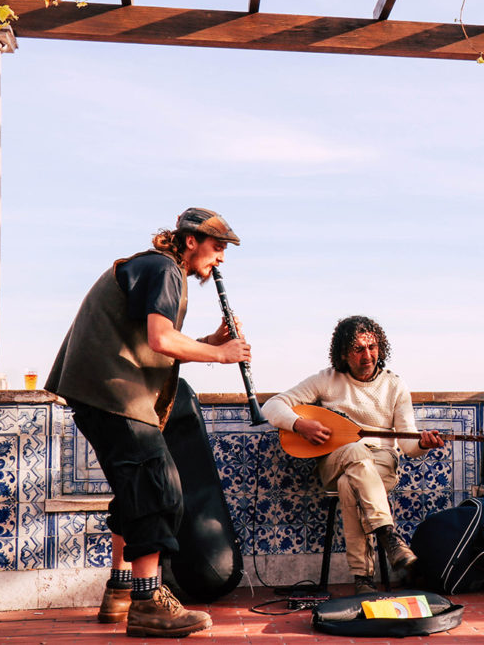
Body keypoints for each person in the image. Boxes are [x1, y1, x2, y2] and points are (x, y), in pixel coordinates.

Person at [45, 208, 251, 638]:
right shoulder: (164, 269)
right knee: (159, 488)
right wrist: (223, 354)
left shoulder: (153, 267)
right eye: (217, 247)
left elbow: (150, 343)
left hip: (96, 390)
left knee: (133, 490)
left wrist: (209, 342)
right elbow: (161, 339)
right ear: (190, 241)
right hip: (114, 392)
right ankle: (148, 603)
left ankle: (120, 590)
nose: (221, 259)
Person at [262, 315, 445, 594]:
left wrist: (424, 444)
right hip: (334, 461)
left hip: (382, 463)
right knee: (355, 452)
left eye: (372, 347)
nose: (367, 355)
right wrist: (300, 424)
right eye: (358, 349)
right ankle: (388, 536)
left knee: (351, 484)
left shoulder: (395, 385)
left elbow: (408, 446)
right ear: (344, 354)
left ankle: (363, 580)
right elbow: (273, 405)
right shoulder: (326, 380)